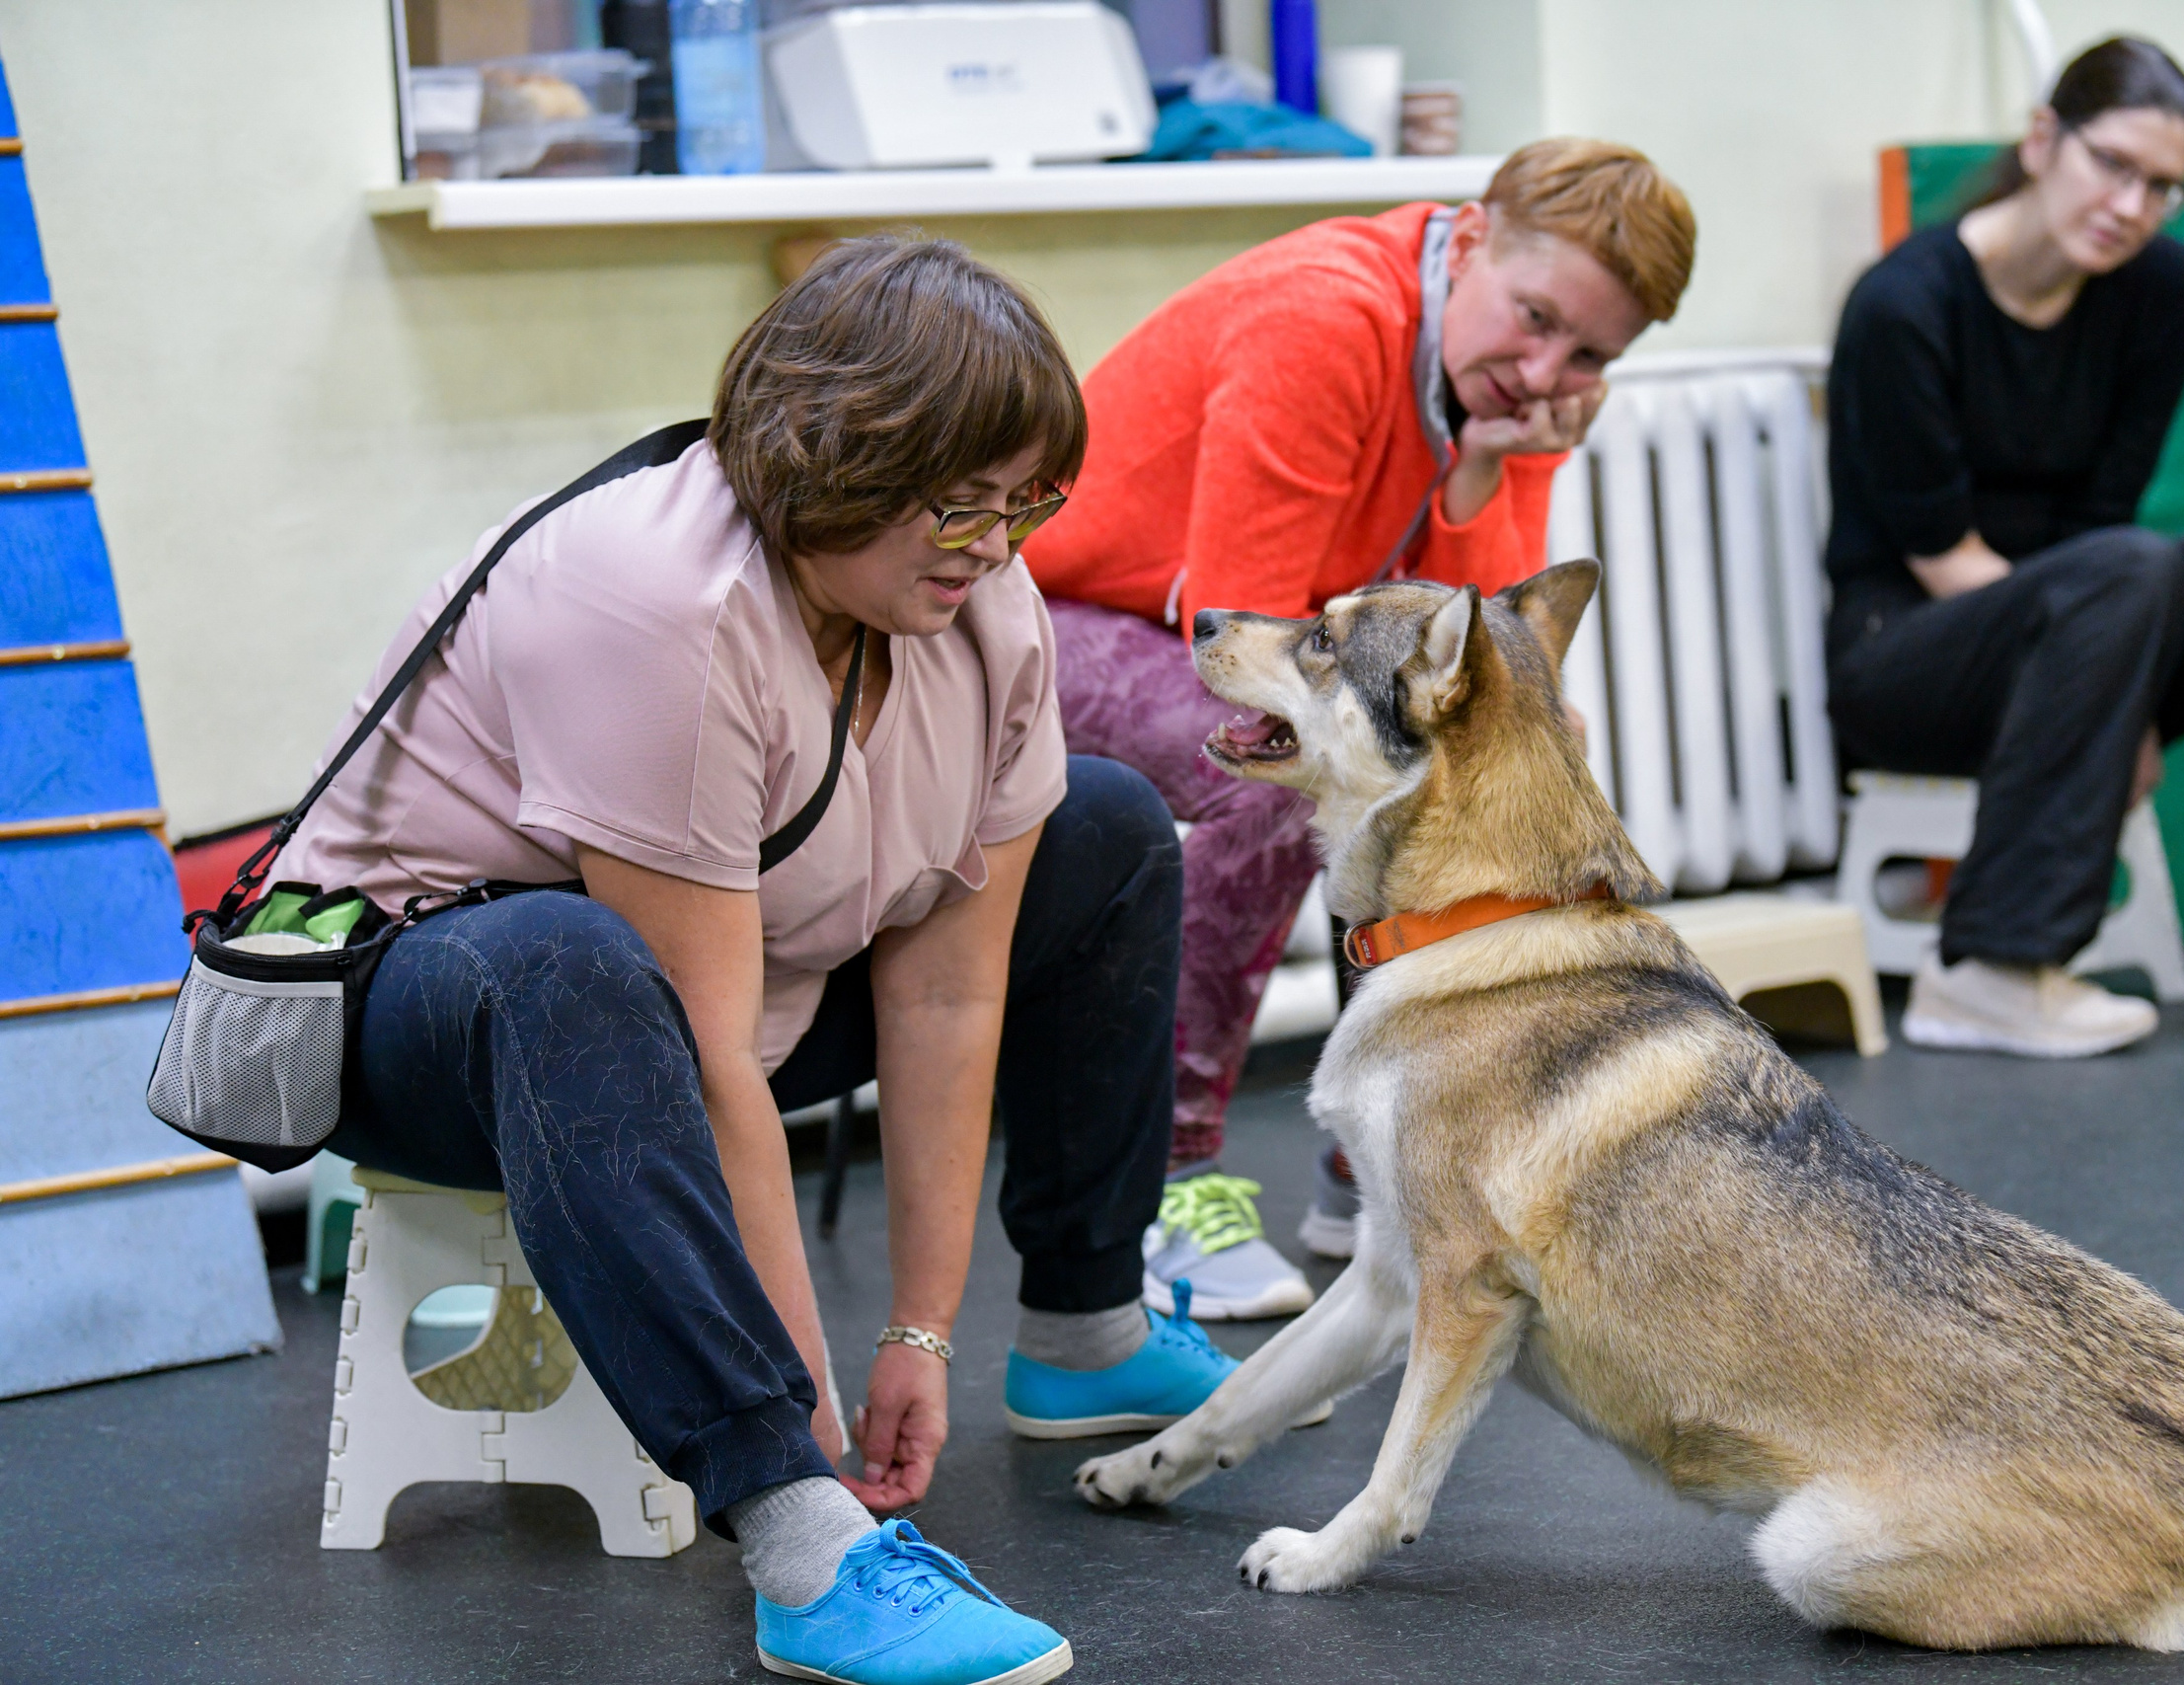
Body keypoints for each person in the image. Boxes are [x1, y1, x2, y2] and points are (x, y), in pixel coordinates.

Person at [274, 238, 1250, 1685]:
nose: (994, 539)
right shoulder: (655, 601)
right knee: (570, 959)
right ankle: (800, 1544)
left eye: (1023, 497)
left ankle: (1085, 1329)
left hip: (702, 1003)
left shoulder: (980, 603)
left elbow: (946, 983)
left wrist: (921, 1330)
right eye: (956, 499)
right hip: (412, 1018)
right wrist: (814, 1428)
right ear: (827, 457)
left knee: (1104, 822)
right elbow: (705, 1048)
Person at [1022, 138, 1697, 1309]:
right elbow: (1255, 642)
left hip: (1250, 637)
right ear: (1475, 235)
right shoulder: (1324, 322)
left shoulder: (1520, 395)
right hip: (1058, 616)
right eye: (1533, 317)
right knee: (1289, 774)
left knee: (1499, 747)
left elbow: (1478, 665)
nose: (1542, 370)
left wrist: (1486, 474)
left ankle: (1376, 1166)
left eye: (1587, 352)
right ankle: (1168, 1188)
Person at [1823, 37, 2184, 1058]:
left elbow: (2104, 513)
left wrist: (2112, 674)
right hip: (1907, 654)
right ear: (2043, 138)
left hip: (2088, 621)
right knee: (2132, 567)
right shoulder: (1903, 306)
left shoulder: (2162, 290)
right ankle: (1986, 970)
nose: (2131, 206)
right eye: (2112, 165)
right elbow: (1941, 554)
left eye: (2161, 188)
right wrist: (2112, 684)